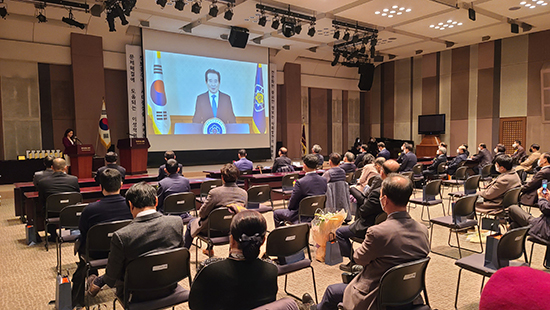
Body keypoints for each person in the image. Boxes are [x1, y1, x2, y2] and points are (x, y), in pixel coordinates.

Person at [316, 173, 430, 310]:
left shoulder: (378, 232)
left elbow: (359, 258)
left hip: (377, 295)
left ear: (385, 200)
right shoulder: (423, 230)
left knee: (331, 291)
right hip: (408, 293)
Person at [89, 182, 185, 301]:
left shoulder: (122, 236)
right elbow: (179, 254)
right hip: (169, 286)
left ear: (130, 205)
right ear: (156, 201)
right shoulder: (176, 222)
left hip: (135, 295)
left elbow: (112, 275)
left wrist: (101, 280)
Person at [189, 210, 278, 310]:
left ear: (231, 240)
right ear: (263, 241)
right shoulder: (272, 269)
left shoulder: (209, 268)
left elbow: (194, 305)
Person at [71, 169, 132, 306]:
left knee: (82, 245)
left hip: (95, 254)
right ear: (121, 184)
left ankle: (78, 299)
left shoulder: (90, 209)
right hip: (123, 251)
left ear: (101, 187)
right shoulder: (131, 206)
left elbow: (83, 231)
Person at [337, 160, 399, 272]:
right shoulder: (399, 189)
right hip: (389, 225)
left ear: (381, 173)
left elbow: (363, 211)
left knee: (339, 233)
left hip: (369, 226)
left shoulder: (378, 192)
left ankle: (354, 261)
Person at [184, 164, 247, 253]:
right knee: (218, 217)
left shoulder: (215, 193)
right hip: (232, 230)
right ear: (236, 177)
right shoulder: (243, 193)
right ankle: (209, 249)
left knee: (192, 222)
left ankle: (184, 252)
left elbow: (202, 214)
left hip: (211, 231)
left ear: (222, 178)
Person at [273, 154, 327, 227]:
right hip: (317, 213)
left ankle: (283, 235)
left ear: (304, 165)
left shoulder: (300, 182)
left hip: (300, 215)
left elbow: (292, 205)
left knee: (276, 213)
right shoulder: (324, 180)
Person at [37, 158, 80, 240]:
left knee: (43, 208)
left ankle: (53, 234)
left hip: (51, 213)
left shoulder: (43, 182)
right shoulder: (73, 180)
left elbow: (41, 200)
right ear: (66, 168)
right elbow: (77, 195)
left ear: (52, 167)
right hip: (70, 212)